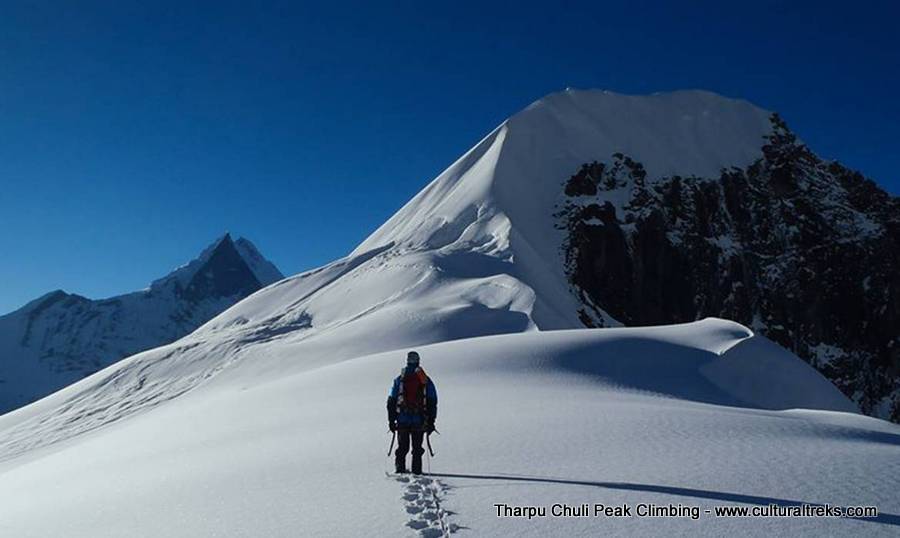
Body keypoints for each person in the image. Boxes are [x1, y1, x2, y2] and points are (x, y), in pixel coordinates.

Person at [387, 351, 438, 474]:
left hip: (402, 419)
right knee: (417, 448)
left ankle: (400, 470)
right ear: (418, 361)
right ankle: (417, 472)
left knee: (402, 447)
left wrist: (391, 420)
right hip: (419, 419)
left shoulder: (399, 379)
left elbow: (391, 400)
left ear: (407, 361)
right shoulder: (425, 380)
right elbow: (432, 401)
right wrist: (431, 421)